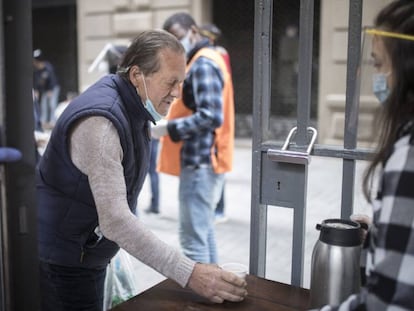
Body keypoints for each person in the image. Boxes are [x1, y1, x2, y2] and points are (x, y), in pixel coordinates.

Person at [36, 30, 246, 311]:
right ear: (137, 75)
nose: (177, 93)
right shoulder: (101, 122)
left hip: (85, 250)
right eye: (171, 82)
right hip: (64, 260)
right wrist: (190, 273)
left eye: (181, 82)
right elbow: (115, 220)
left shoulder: (134, 107)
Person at [312, 1, 414, 310]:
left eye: (379, 63)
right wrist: (386, 234)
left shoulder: (408, 154)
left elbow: (386, 301)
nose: (377, 77)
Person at [156, 13, 235, 264]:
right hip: (205, 161)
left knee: (192, 240)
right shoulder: (205, 59)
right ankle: (216, 292)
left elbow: (211, 117)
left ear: (193, 31)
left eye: (179, 37)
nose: (177, 45)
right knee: (204, 232)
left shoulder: (202, 64)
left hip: (201, 162)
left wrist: (169, 128)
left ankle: (203, 299)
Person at [199, 23, 233, 224]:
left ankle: (219, 209)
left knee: (219, 164)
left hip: (217, 117)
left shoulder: (217, 54)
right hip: (215, 115)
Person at [33, 49, 60, 127]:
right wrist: (36, 90)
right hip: (45, 90)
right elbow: (37, 81)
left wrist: (50, 90)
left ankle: (53, 121)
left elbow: (53, 79)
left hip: (53, 88)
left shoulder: (48, 67)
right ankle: (43, 120)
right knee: (44, 105)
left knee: (52, 104)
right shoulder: (37, 70)